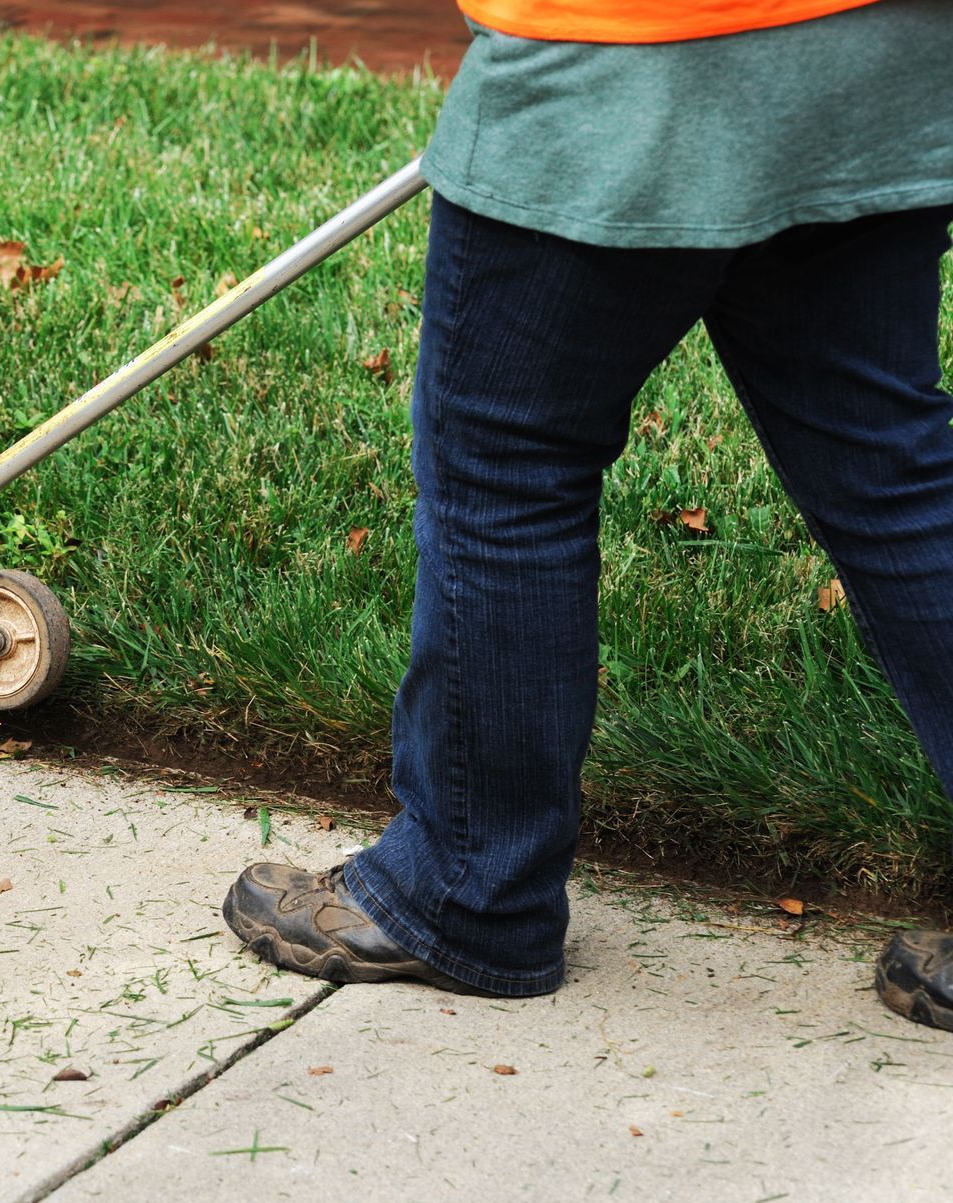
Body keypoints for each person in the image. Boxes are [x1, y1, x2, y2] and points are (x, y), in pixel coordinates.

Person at [222, 0, 953, 1031]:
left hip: (629, 51)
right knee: (895, 476)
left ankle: (467, 893)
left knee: (507, 466)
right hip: (880, 48)